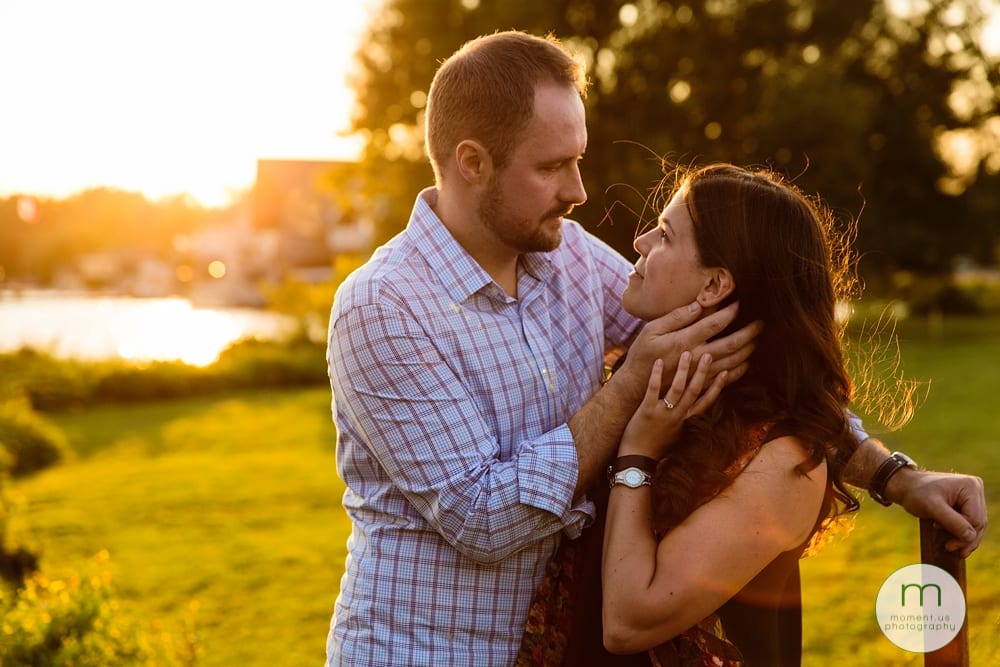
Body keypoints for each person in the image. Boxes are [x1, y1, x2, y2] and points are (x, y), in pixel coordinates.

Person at [324, 31, 985, 667]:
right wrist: (629, 390)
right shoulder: (385, 307)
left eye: (577, 158)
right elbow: (483, 520)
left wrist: (893, 475)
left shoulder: (569, 256)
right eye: (553, 166)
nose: (578, 190)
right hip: (430, 651)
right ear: (472, 162)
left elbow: (742, 348)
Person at [594, 163, 976, 666]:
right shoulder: (670, 396)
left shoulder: (782, 461)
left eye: (664, 234)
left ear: (713, 286)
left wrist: (638, 450)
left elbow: (628, 621)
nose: (639, 243)